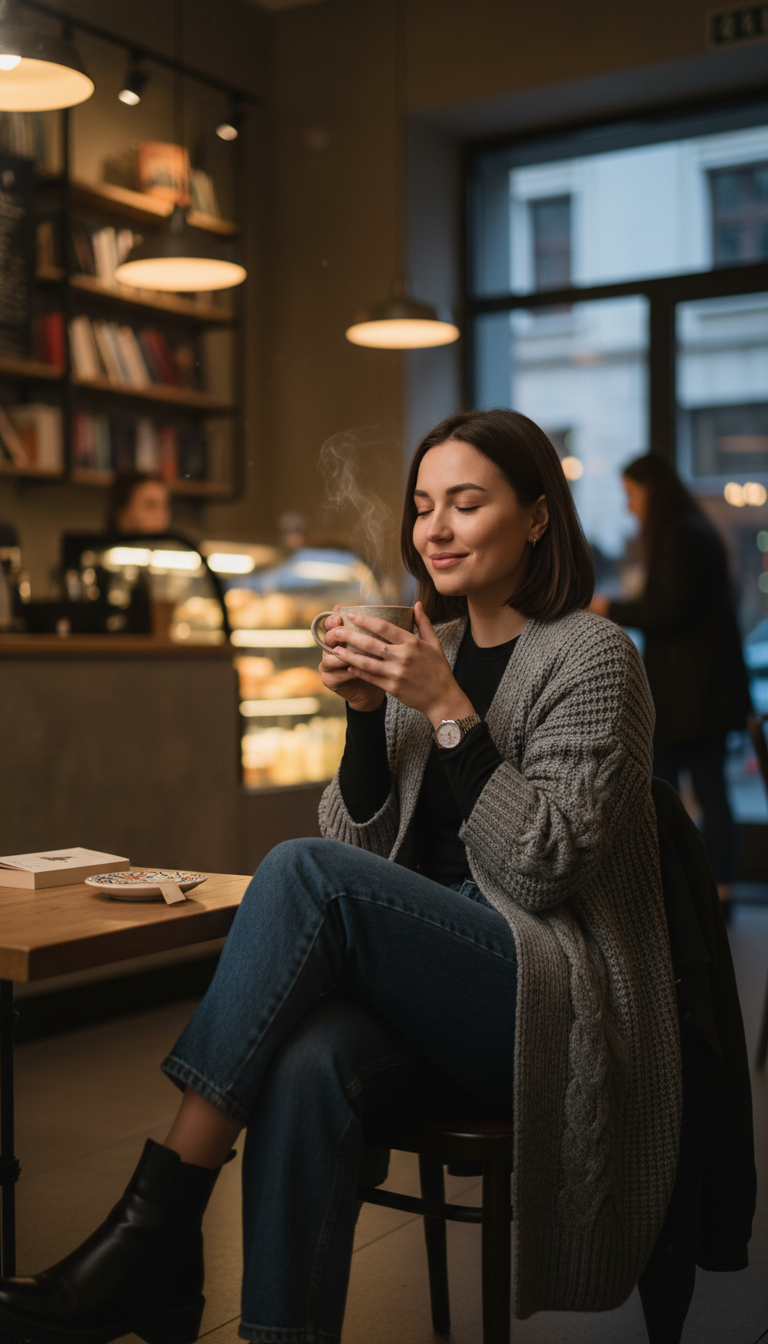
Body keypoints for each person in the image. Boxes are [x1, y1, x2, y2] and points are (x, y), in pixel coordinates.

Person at [0, 410, 681, 1343]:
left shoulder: (592, 657)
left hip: (550, 995)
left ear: (535, 518)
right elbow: (363, 872)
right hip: (438, 985)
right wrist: (366, 716)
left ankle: (154, 1225)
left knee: (297, 869)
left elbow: (544, 866)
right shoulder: (420, 644)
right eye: (421, 506)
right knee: (308, 1062)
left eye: (466, 503)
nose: (434, 529)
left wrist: (445, 707)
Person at [589, 454, 751, 913]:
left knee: (679, 791)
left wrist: (609, 608)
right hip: (700, 695)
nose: (628, 506)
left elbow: (669, 610)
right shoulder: (692, 531)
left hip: (692, 699)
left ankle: (703, 893)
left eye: (632, 495)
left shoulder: (681, 535)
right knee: (703, 789)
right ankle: (707, 890)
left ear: (652, 491)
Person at [107, 471, 172, 535]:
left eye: (165, 505)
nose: (162, 515)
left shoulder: (175, 544)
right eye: (151, 505)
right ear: (123, 514)